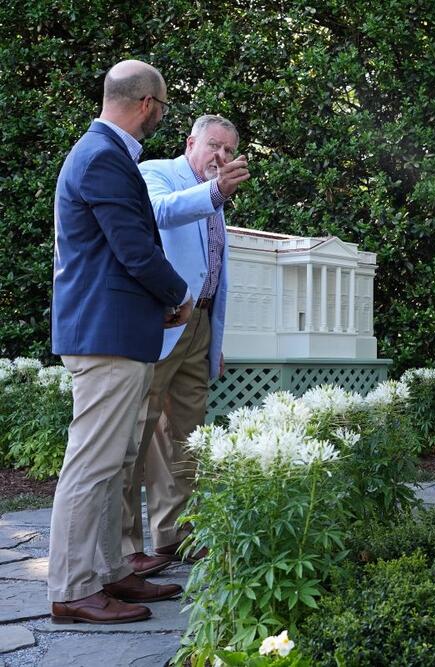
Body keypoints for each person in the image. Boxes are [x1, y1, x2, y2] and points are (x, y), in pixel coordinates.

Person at [49, 59, 190, 624]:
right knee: (92, 465)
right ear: (147, 105)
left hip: (118, 331)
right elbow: (133, 248)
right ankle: (73, 587)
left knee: (116, 460)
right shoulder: (103, 157)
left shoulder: (102, 154)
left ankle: (107, 573)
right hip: (105, 334)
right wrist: (176, 294)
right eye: (162, 107)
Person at [120, 115, 249, 574]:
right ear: (191, 141)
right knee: (136, 434)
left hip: (201, 325)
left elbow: (213, 271)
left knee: (186, 440)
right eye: (215, 146)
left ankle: (175, 536)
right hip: (162, 321)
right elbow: (156, 214)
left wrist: (214, 341)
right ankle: (126, 548)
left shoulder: (215, 196)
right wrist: (214, 193)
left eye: (230, 151)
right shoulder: (157, 173)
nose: (222, 157)